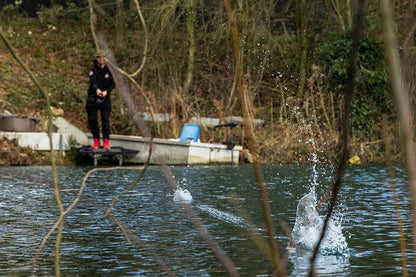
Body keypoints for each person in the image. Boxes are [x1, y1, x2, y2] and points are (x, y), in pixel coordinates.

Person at [86, 50, 115, 149]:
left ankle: (106, 141)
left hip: (105, 98)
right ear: (96, 58)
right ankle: (96, 140)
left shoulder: (109, 69)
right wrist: (97, 90)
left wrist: (106, 91)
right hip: (93, 97)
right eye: (98, 57)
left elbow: (113, 84)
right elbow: (92, 81)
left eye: (102, 57)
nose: (100, 59)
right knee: (92, 119)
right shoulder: (93, 69)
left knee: (105, 119)